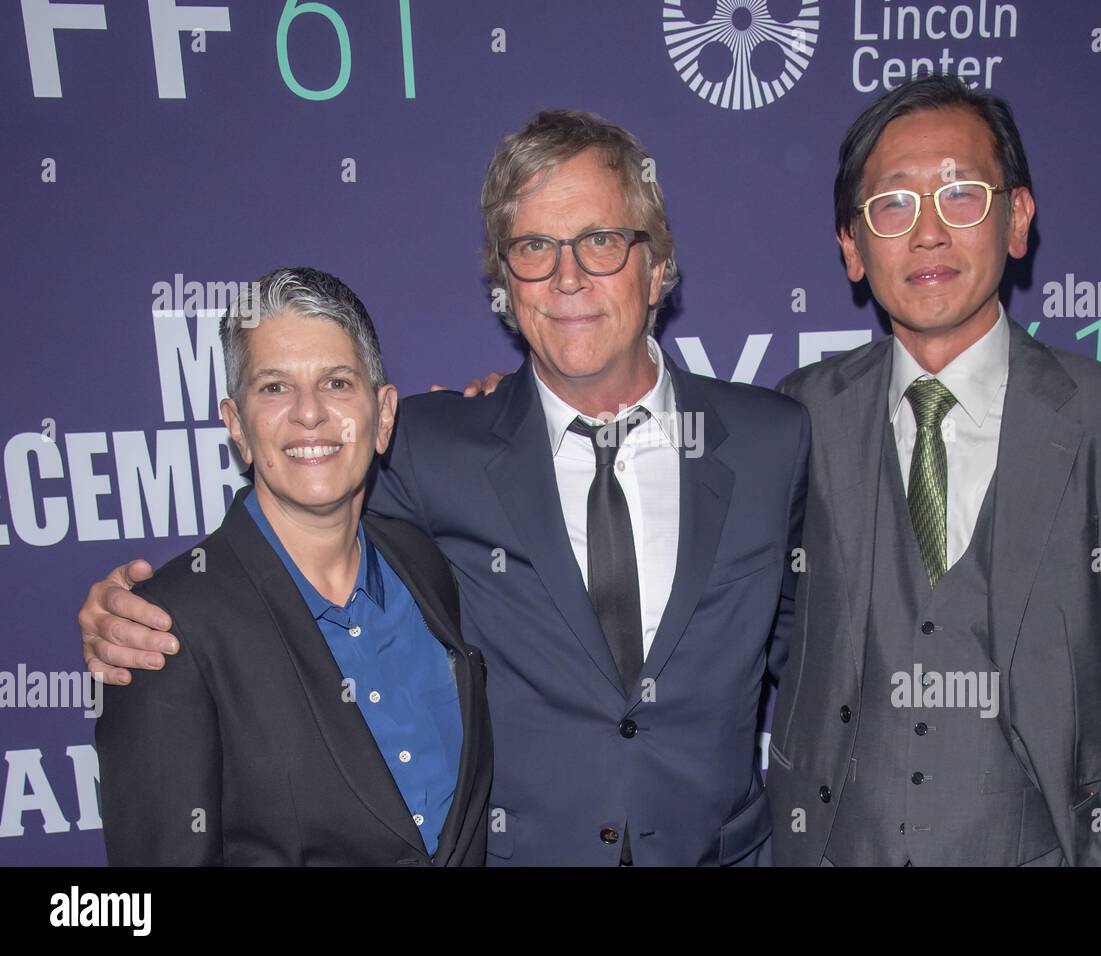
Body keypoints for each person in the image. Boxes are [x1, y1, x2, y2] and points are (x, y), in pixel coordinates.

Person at [81, 113, 809, 866]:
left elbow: (817, 655)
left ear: (657, 266)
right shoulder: (433, 447)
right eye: (533, 248)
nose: (568, 277)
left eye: (600, 240)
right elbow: (292, 521)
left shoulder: (772, 442)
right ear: (504, 282)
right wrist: (136, 612)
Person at [765, 74, 1101, 866]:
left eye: (962, 197)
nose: (930, 233)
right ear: (851, 246)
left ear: (1016, 220)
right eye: (894, 205)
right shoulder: (799, 414)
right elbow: (755, 623)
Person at [94, 267, 492, 865]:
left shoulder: (427, 567)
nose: (310, 414)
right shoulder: (164, 630)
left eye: (336, 382)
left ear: (383, 415)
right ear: (237, 426)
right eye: (274, 388)